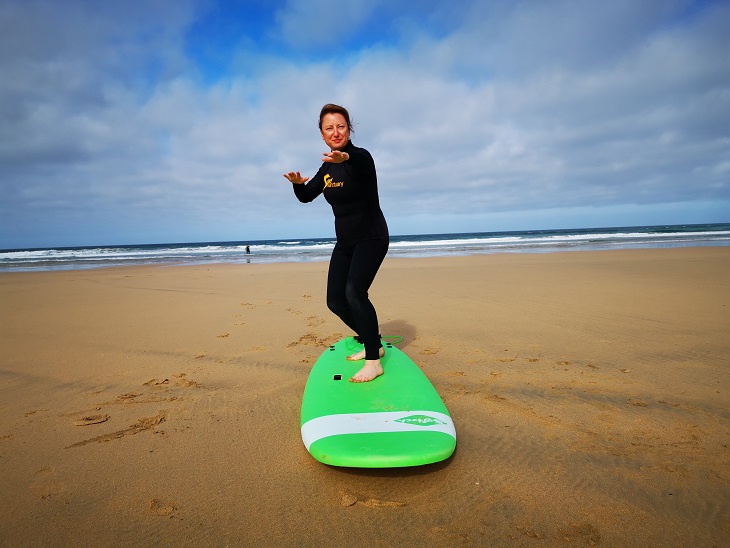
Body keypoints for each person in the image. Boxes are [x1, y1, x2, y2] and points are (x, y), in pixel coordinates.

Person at [283, 104, 389, 383]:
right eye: (329, 128)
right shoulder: (328, 165)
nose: (335, 132)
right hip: (346, 243)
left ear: (349, 129)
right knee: (335, 301)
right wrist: (297, 184)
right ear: (322, 134)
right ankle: (373, 341)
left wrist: (347, 157)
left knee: (355, 292)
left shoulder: (360, 158)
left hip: (371, 237)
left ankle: (373, 361)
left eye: (340, 126)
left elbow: (360, 163)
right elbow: (307, 196)